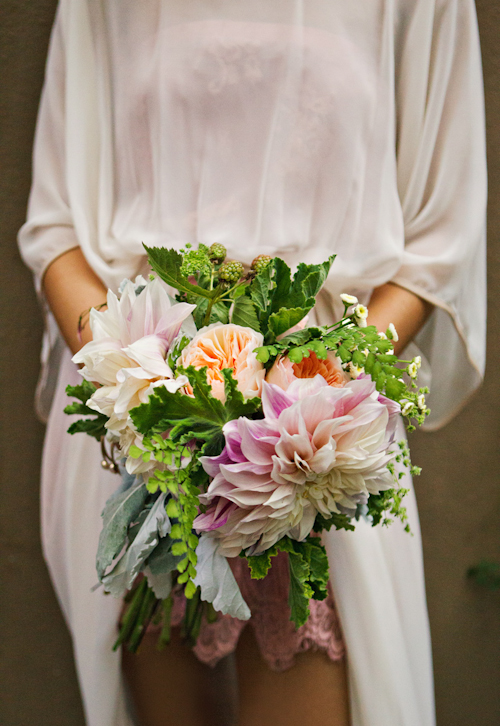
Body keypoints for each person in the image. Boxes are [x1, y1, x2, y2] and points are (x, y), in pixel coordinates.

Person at [18, 1, 486, 725]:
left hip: (317, 432)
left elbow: (439, 243)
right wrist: (142, 384)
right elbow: (54, 229)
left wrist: (319, 386)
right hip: (145, 429)